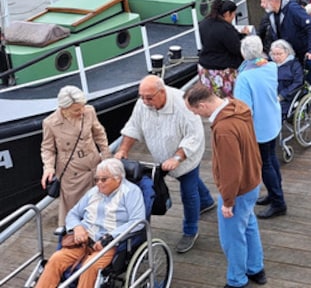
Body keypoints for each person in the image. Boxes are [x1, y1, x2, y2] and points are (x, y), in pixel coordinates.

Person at [115, 75, 215, 254]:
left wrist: (177, 158)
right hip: (161, 156)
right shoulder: (143, 103)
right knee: (190, 182)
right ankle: (207, 201)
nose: (145, 102)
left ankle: (190, 230)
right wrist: (123, 150)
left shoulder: (183, 105)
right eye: (142, 97)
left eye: (149, 98)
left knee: (188, 191)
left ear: (161, 92)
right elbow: (133, 126)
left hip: (186, 157)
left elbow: (194, 136)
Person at [184, 84, 267, 288]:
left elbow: (231, 170)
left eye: (194, 110)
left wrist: (228, 202)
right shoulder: (237, 107)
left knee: (232, 238)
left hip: (237, 190)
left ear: (203, 106)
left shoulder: (223, 130)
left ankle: (237, 280)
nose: (195, 115)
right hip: (252, 179)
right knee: (249, 225)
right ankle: (256, 268)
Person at [35, 158, 145, 288]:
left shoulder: (131, 192)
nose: (99, 183)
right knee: (56, 259)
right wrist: (77, 227)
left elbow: (138, 221)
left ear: (118, 178)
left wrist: (111, 237)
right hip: (83, 240)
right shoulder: (93, 192)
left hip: (108, 245)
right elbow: (73, 214)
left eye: (104, 179)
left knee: (89, 267)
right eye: (96, 179)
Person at [41, 86, 111, 227]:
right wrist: (48, 167)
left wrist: (106, 155)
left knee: (102, 206)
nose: (81, 111)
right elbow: (48, 148)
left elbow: (99, 133)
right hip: (72, 174)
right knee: (75, 212)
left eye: (82, 107)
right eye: (76, 110)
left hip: (94, 166)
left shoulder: (89, 111)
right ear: (64, 109)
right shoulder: (50, 123)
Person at [233, 36, 285, 220]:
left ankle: (278, 202)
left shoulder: (244, 77)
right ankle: (275, 192)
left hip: (259, 126)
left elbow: (244, 109)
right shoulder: (270, 67)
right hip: (272, 119)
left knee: (265, 164)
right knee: (271, 158)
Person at [258, 0, 311, 104]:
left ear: (272, 1)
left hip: (304, 51)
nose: (261, 5)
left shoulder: (293, 10)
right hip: (287, 53)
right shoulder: (271, 14)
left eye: (263, 2)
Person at [198, 0, 244, 98]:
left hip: (206, 70)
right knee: (226, 100)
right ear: (227, 13)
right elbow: (236, 49)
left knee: (209, 98)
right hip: (222, 71)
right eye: (233, 15)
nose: (233, 18)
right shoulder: (226, 29)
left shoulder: (204, 23)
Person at [269, 39, 305, 116]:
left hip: (287, 97)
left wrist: (282, 95)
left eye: (279, 54)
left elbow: (298, 83)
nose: (276, 57)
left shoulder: (294, 65)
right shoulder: (269, 64)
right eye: (273, 54)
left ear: (287, 52)